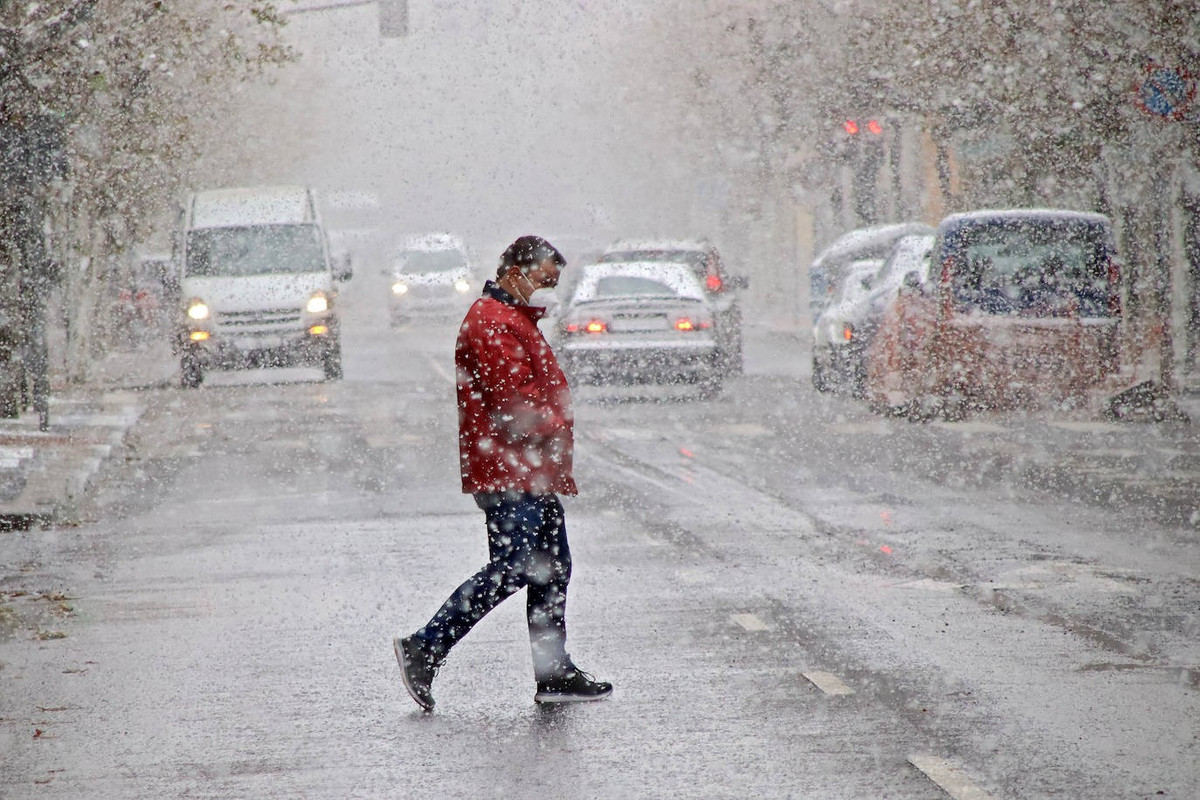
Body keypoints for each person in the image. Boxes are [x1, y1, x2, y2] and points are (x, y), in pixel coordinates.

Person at [394, 235, 612, 711]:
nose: (545, 290)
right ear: (514, 270)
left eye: (552, 283)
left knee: (552, 566)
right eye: (542, 279)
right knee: (515, 566)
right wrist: (558, 421)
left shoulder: (511, 318)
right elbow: (513, 407)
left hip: (526, 470)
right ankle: (424, 647)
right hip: (508, 471)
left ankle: (552, 673)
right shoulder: (493, 322)